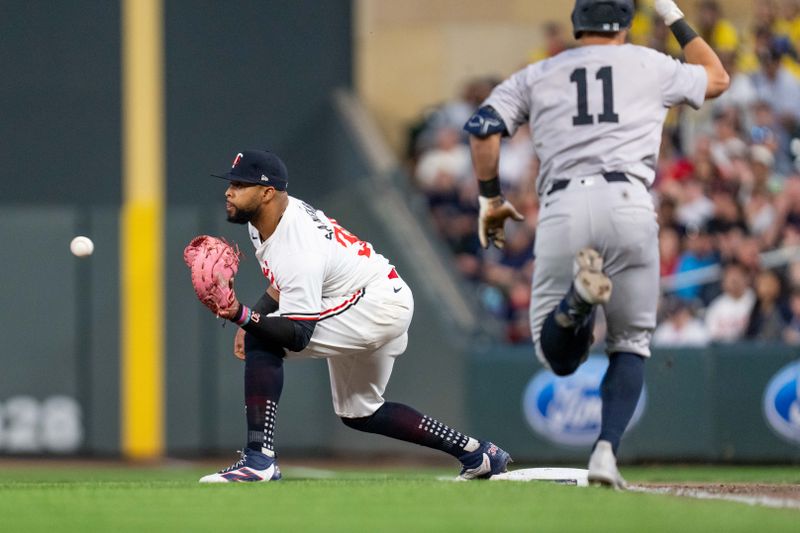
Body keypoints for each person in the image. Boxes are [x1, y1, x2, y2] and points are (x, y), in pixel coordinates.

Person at [464, 0, 729, 488]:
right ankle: (605, 451)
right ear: (626, 26)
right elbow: (717, 78)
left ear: (576, 26)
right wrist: (672, 16)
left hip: (563, 207)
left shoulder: (540, 72)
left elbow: (483, 128)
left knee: (558, 359)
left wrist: (490, 198)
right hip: (629, 200)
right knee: (630, 342)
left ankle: (578, 303)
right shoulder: (651, 64)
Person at [198, 149, 510, 482]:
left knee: (265, 341)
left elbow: (298, 333)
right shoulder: (266, 219)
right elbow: (282, 282)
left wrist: (241, 316)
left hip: (374, 303)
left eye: (240, 184)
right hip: (376, 296)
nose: (229, 191)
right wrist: (256, 315)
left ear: (266, 192)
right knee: (360, 411)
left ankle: (259, 458)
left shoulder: (297, 242)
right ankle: (478, 453)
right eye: (231, 182)